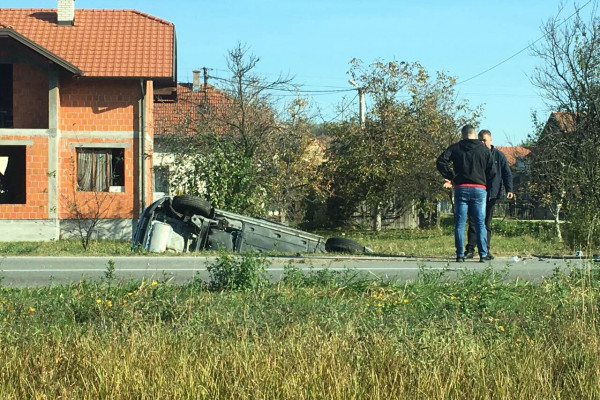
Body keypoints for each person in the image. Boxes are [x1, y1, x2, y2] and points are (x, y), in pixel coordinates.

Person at [436, 124, 495, 262]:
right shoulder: (484, 150)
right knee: (480, 223)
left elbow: (441, 161)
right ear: (475, 135)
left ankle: (460, 255)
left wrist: (451, 177)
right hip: (479, 188)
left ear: (463, 135)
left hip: (461, 188)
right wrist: (485, 181)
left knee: (460, 223)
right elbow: (492, 171)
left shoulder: (455, 148)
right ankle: (483, 254)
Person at [464, 130, 514, 259]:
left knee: (486, 222)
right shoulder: (476, 153)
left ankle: (485, 250)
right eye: (480, 140)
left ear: (491, 140)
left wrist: (510, 189)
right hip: (476, 192)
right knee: (473, 221)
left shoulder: (499, 155)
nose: (482, 142)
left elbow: (506, 173)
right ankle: (470, 249)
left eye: (484, 140)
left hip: (491, 193)